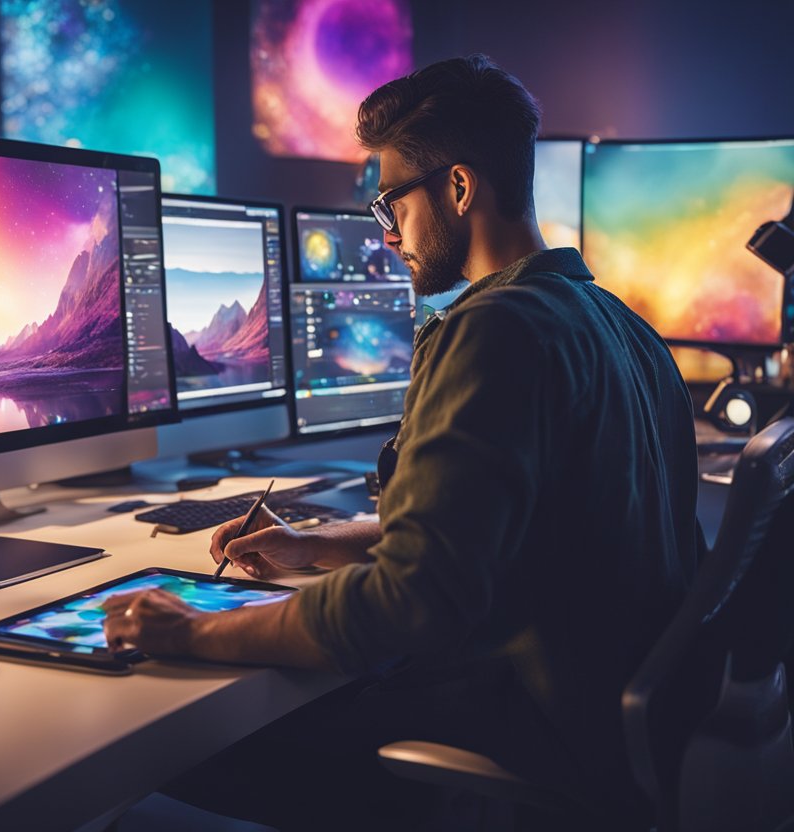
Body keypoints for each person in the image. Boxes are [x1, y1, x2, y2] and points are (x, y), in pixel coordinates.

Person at [102, 54, 700, 830]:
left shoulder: (494, 329)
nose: (386, 235)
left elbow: (409, 601)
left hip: (527, 733)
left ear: (459, 187)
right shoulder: (624, 328)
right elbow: (507, 531)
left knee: (150, 760)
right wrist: (316, 545)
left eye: (391, 204)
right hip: (605, 730)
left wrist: (194, 631)